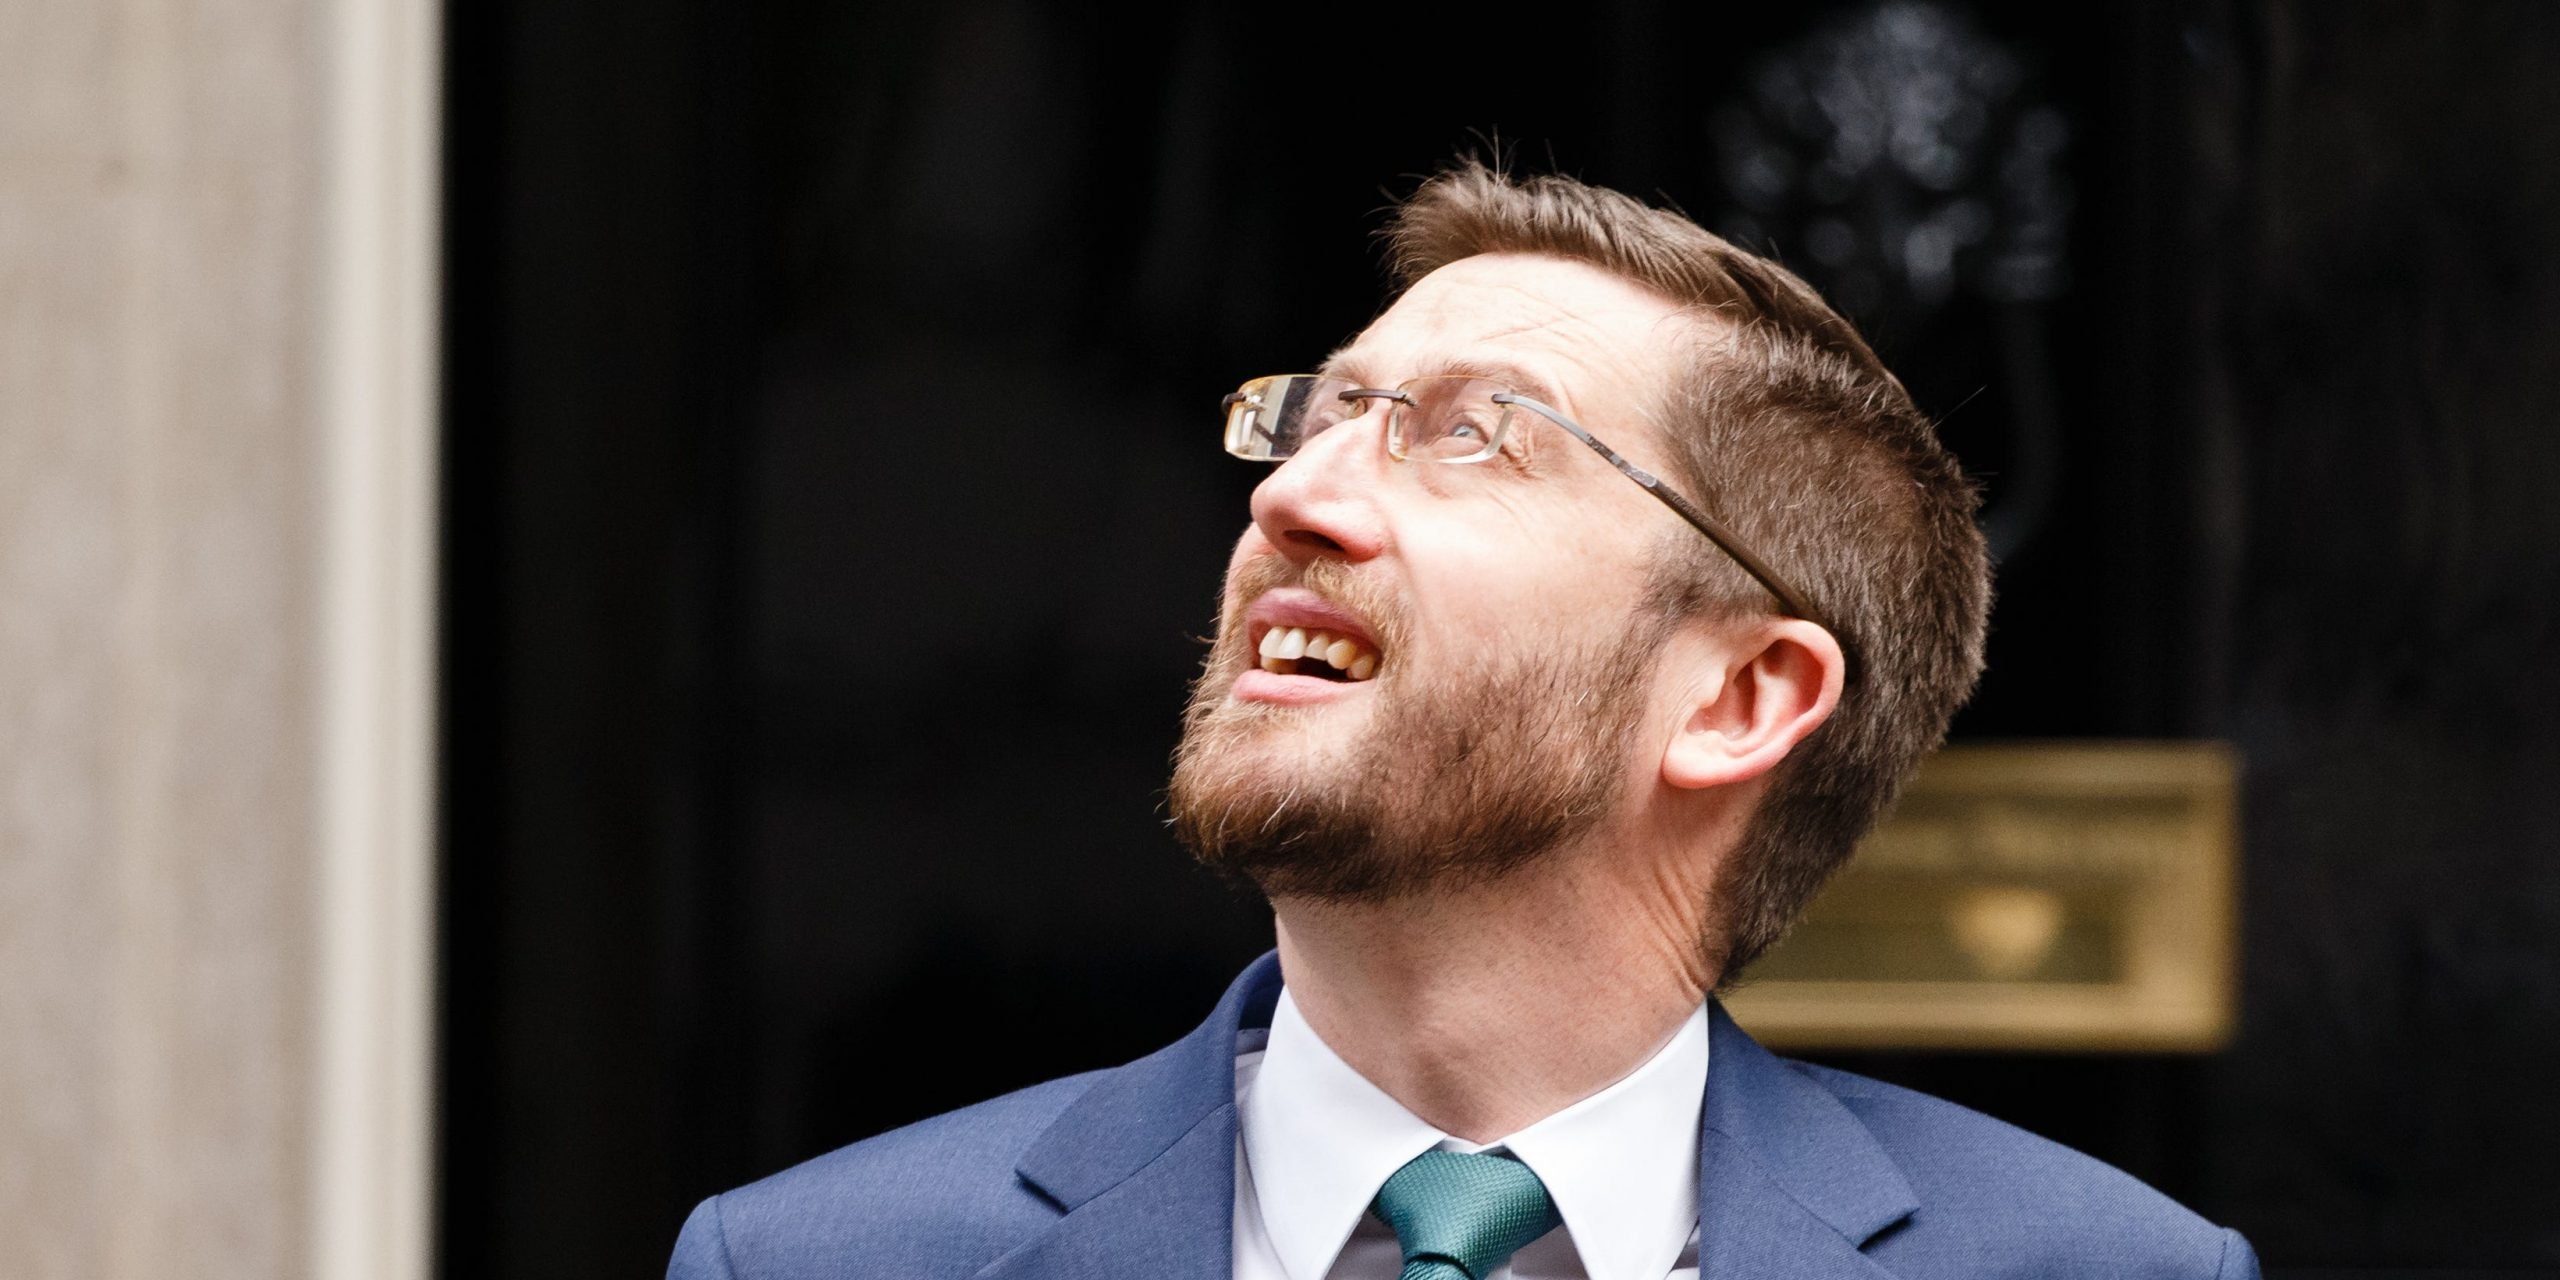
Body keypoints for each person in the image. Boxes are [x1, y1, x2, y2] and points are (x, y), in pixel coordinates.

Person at [666, 162, 2259, 1280]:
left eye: (1471, 437)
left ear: (1738, 695)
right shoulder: (811, 1261)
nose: (1295, 494)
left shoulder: (2107, 1269)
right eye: (1318, 414)